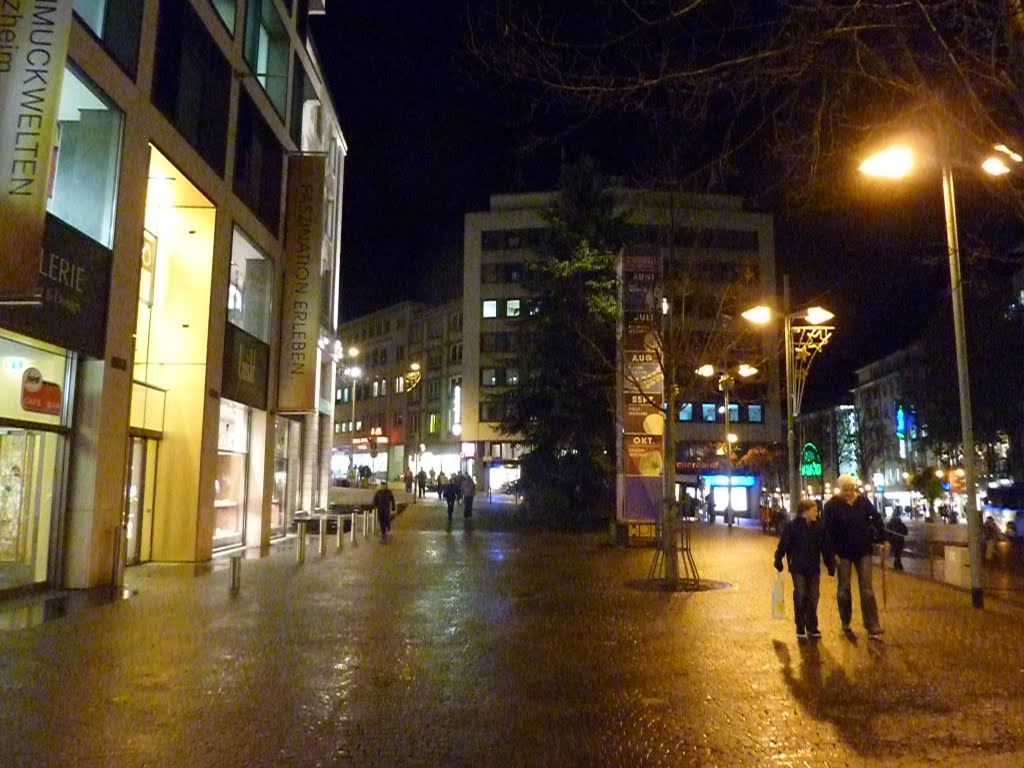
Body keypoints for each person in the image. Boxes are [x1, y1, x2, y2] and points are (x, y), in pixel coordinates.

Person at [822, 474, 886, 637]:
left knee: (867, 589)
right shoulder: (831, 506)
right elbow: (827, 531)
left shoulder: (863, 502)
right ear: (840, 490)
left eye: (851, 489)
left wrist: (882, 539)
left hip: (863, 550)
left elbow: (876, 519)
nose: (849, 493)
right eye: (845, 490)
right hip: (842, 552)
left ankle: (872, 624)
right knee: (844, 588)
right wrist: (831, 552)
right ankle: (845, 620)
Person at [774, 499, 835, 640]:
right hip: (798, 567)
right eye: (814, 510)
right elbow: (784, 544)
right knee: (801, 595)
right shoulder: (792, 527)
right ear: (805, 511)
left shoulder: (819, 527)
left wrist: (830, 563)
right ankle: (800, 626)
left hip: (813, 568)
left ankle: (812, 626)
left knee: (813, 597)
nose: (817, 513)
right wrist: (778, 558)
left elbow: (825, 547)